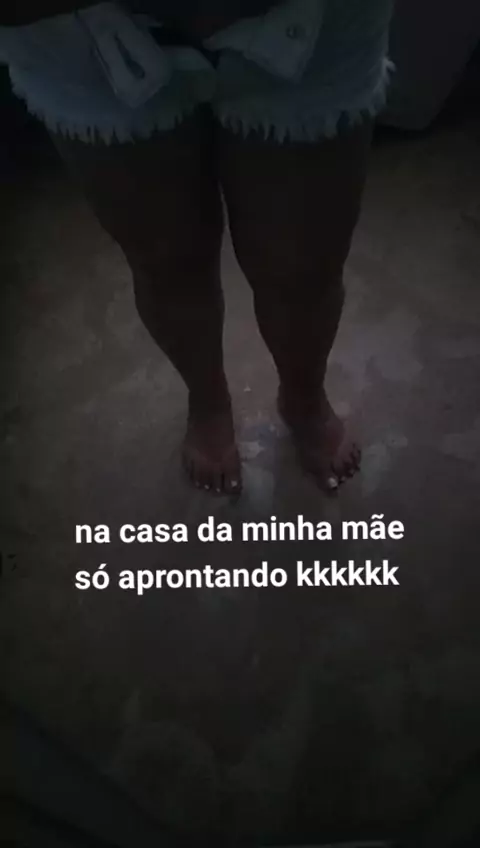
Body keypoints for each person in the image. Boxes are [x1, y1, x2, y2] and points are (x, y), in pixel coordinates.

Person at [0, 0, 395, 494]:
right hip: (74, 28)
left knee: (305, 267)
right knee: (165, 260)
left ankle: (304, 397)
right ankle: (208, 401)